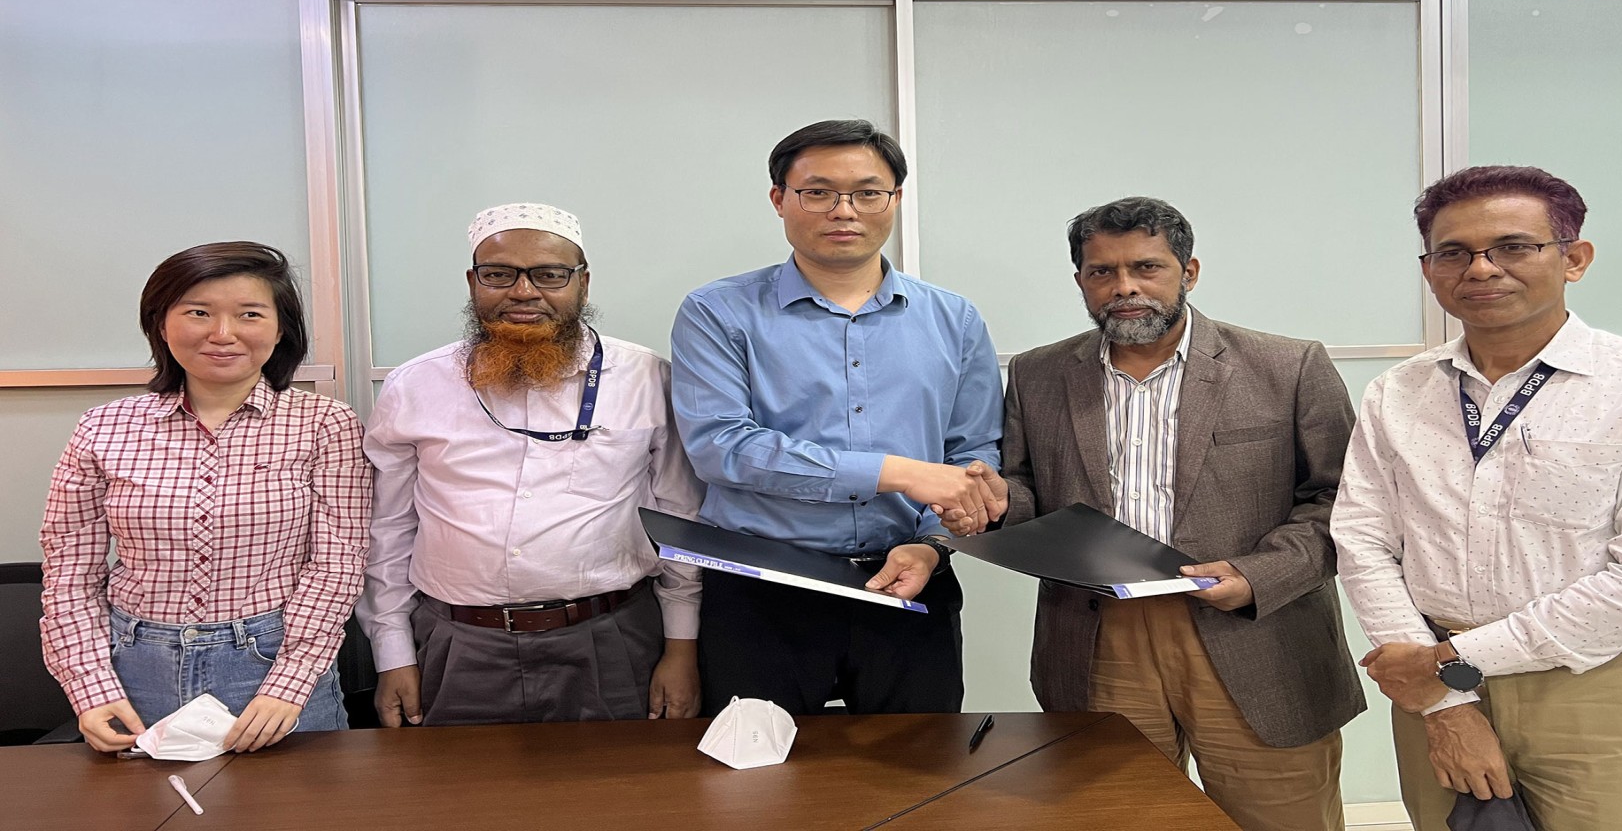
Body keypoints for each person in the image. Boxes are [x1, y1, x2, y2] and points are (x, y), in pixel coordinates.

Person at [1332, 165, 1622, 831]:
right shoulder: (1398, 392)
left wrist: (1452, 665)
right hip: (1433, 680)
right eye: (1454, 252)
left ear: (1574, 259)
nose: (1481, 268)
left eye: (1513, 246)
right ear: (1429, 271)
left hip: (1604, 684)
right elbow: (1363, 540)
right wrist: (1444, 700)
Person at [1001, 197, 1364, 831]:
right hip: (1098, 636)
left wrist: (1257, 575)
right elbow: (1029, 490)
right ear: (1081, 279)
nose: (1124, 287)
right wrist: (997, 502)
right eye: (1102, 271)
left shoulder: (1288, 366)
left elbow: (1344, 501)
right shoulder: (1038, 374)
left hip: (1253, 633)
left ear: (1188, 272)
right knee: (1121, 818)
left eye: (1146, 267)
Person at [670, 119, 1006, 716]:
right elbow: (721, 447)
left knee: (917, 764)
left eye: (867, 193)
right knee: (758, 770)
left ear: (895, 200)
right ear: (779, 199)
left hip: (909, 581)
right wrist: (897, 472)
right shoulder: (716, 312)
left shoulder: (954, 319)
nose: (844, 210)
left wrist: (933, 544)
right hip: (762, 588)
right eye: (818, 192)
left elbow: (972, 454)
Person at [357, 203, 703, 727]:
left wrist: (681, 648)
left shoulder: (646, 378)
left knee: (620, 781)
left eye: (549, 274)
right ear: (473, 282)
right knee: (454, 781)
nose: (523, 291)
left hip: (612, 637)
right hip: (457, 644)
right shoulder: (415, 385)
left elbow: (681, 520)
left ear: (583, 283)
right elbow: (388, 529)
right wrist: (392, 653)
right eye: (499, 274)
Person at [40, 241, 371, 754]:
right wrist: (89, 686)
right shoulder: (103, 427)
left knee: (295, 798)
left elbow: (337, 562)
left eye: (249, 314)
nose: (222, 333)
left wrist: (292, 681)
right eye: (198, 312)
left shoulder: (326, 424)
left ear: (280, 329)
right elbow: (69, 571)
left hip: (272, 664)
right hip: (134, 667)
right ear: (161, 323)